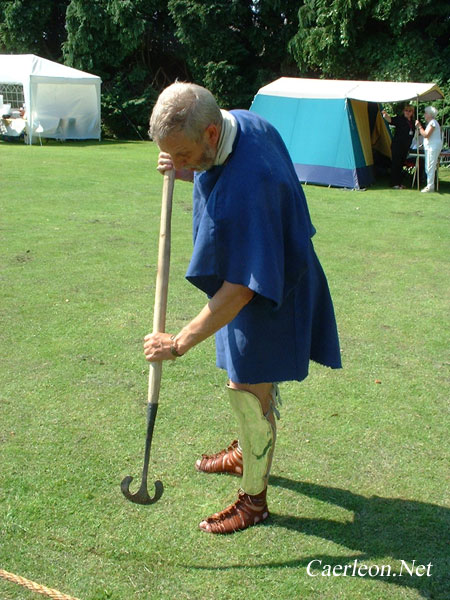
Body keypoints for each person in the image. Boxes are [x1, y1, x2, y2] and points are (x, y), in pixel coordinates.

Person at [144, 82, 341, 534]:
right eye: (170, 154)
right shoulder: (241, 122)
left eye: (184, 153)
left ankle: (254, 502)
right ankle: (241, 454)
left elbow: (239, 291)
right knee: (241, 379)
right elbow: (214, 170)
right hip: (253, 271)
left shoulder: (253, 182)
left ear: (211, 133)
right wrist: (186, 168)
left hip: (271, 290)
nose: (177, 162)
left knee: (250, 394)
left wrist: (177, 343)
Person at [382, 105, 415, 189]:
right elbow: (391, 120)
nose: (407, 112)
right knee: (396, 164)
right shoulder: (400, 119)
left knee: (401, 165)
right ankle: (394, 183)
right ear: (403, 111)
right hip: (397, 145)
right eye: (406, 110)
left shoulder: (413, 122)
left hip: (405, 147)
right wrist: (385, 115)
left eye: (409, 111)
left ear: (412, 112)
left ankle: (399, 183)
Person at [415, 106, 442, 193]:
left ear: (430, 114)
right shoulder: (432, 123)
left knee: (430, 166)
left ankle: (430, 186)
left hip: (432, 147)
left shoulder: (433, 123)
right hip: (430, 147)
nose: (424, 115)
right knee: (428, 166)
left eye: (426, 113)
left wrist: (419, 127)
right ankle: (430, 185)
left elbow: (426, 135)